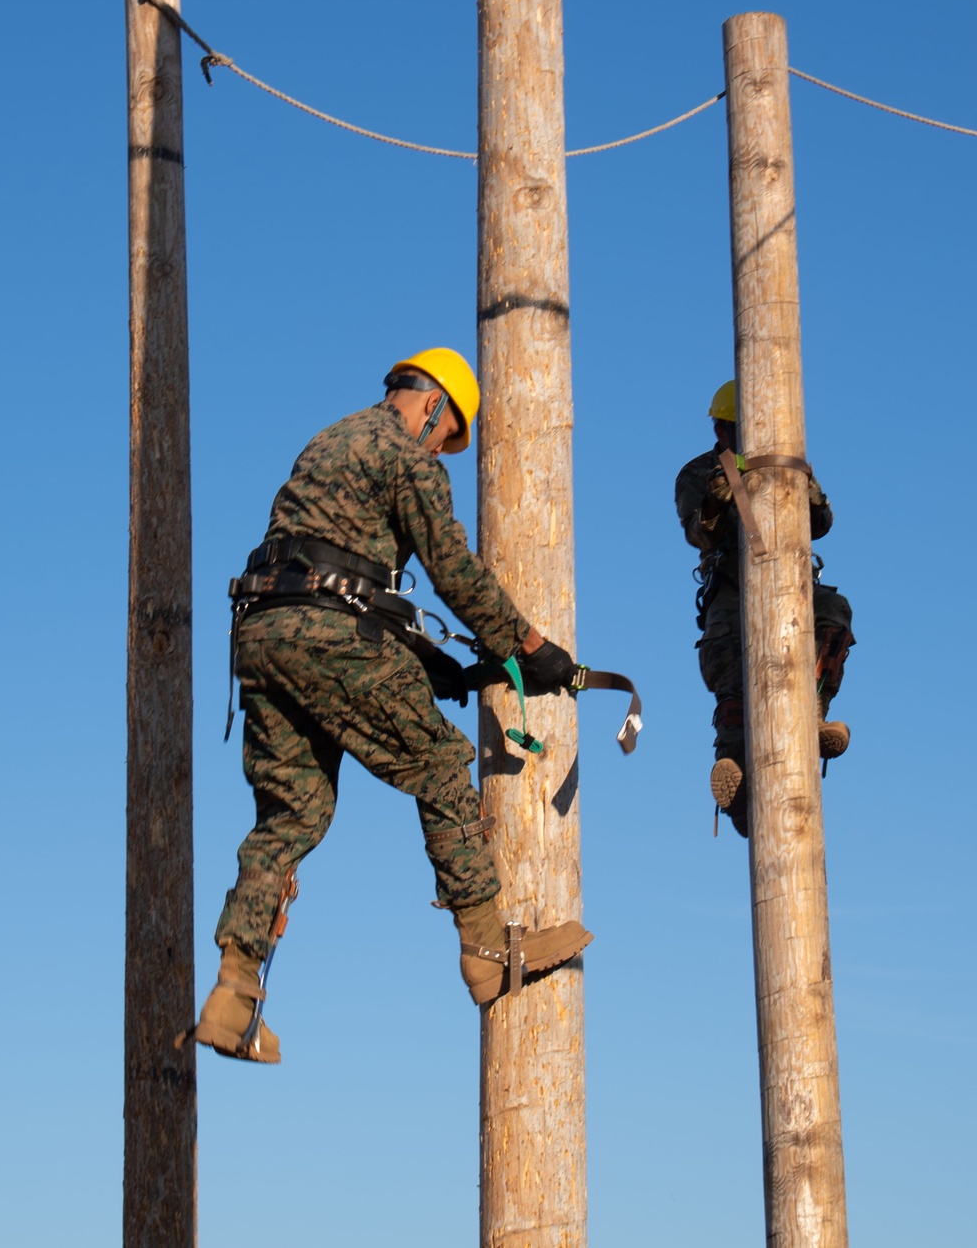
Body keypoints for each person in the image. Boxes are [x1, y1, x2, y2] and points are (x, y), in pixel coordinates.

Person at [192, 347, 592, 1062]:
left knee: (293, 813)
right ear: (432, 403)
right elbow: (452, 571)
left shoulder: (330, 440)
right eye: (447, 434)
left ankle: (233, 990)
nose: (443, 447)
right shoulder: (407, 458)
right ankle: (486, 950)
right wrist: (529, 645)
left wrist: (435, 666)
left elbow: (337, 570)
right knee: (440, 762)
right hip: (326, 635)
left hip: (261, 632)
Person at [675, 380, 854, 839]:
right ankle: (732, 764)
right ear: (718, 428)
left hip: (790, 582)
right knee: (729, 656)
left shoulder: (783, 461)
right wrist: (720, 495)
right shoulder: (698, 473)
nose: (732, 434)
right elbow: (697, 533)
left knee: (833, 611)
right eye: (728, 427)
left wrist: (801, 480)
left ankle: (814, 709)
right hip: (732, 586)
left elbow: (823, 522)